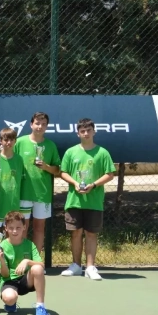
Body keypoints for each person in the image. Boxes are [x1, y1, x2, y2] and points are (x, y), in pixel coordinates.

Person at [59, 118, 116, 281]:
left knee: (91, 234)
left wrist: (94, 185)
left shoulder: (102, 153)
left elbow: (110, 174)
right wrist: (75, 183)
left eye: (88, 130)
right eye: (82, 131)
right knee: (76, 233)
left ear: (94, 131)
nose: (86, 133)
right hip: (74, 201)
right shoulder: (71, 152)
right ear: (78, 133)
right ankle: (76, 266)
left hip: (94, 201)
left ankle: (90, 267)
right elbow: (63, 172)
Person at [15, 112, 61, 256]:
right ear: (31, 124)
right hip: (23, 193)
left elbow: (57, 170)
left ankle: (35, 260)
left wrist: (46, 167)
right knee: (22, 227)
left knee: (39, 228)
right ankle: (20, 259)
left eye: (43, 124)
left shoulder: (50, 145)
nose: (40, 126)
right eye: (37, 123)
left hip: (42, 194)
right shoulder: (19, 142)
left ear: (47, 126)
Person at [0, 211, 48, 315]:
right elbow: (4, 274)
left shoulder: (29, 244)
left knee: (37, 268)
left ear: (24, 227)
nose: (14, 231)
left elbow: (42, 265)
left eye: (18, 227)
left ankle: (40, 307)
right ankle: (11, 303)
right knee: (9, 298)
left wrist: (27, 261)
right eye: (11, 228)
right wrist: (2, 260)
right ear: (6, 228)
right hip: (9, 280)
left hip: (26, 280)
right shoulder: (2, 246)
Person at [0, 127, 23, 244]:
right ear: (0, 141)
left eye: (11, 140)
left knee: (11, 230)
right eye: (5, 140)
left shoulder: (19, 159)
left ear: (15, 141)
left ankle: (8, 254)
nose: (8, 142)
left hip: (13, 202)